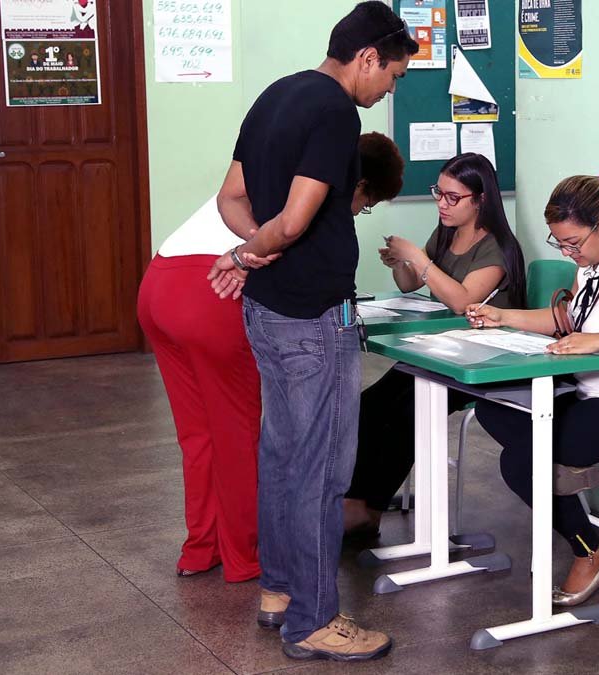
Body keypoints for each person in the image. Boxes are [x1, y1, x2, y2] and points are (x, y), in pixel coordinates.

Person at [205, 3, 417, 662]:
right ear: (367, 58)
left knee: (281, 456)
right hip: (313, 317)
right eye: (394, 74)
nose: (390, 89)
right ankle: (314, 618)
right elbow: (294, 220)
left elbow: (230, 198)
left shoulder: (276, 94)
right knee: (321, 472)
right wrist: (257, 250)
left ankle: (278, 591)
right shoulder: (333, 112)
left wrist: (257, 250)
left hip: (268, 308)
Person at [136, 132, 405, 583]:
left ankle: (200, 548)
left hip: (158, 285)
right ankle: (244, 558)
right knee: (238, 435)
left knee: (198, 435)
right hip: (210, 291)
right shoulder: (316, 195)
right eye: (368, 203)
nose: (359, 211)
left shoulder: (282, 170)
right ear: (360, 187)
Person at [465, 170, 599, 606]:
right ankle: (563, 469)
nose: (569, 253)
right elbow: (570, 322)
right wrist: (504, 317)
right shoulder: (597, 260)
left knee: (522, 461)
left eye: (572, 243)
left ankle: (590, 549)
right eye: (559, 244)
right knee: (495, 408)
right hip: (594, 396)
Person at [343, 152, 527, 535]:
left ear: (480, 199)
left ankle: (368, 509)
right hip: (441, 353)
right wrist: (399, 263)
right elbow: (411, 284)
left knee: (409, 412)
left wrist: (416, 257)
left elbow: (463, 301)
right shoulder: (446, 232)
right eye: (438, 193)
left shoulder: (498, 247)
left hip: (482, 362)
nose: (441, 204)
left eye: (452, 197)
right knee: (372, 405)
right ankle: (355, 499)